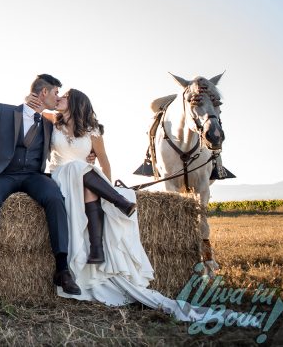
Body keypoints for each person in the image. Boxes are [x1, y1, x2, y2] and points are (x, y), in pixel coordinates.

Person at [28, 88, 211, 320]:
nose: (59, 98)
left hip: (84, 181)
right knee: (77, 167)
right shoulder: (52, 120)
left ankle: (97, 248)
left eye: (64, 96)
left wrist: (106, 182)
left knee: (87, 177)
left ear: (76, 103)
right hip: (60, 178)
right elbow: (31, 109)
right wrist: (35, 100)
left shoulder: (92, 130)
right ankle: (119, 202)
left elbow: (103, 160)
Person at [0, 74, 81, 296]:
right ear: (44, 93)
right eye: (55, 92)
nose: (58, 97)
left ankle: (62, 270)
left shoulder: (50, 123)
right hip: (3, 175)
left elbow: (76, 136)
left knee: (54, 196)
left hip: (33, 176)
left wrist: (89, 156)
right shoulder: (3, 112)